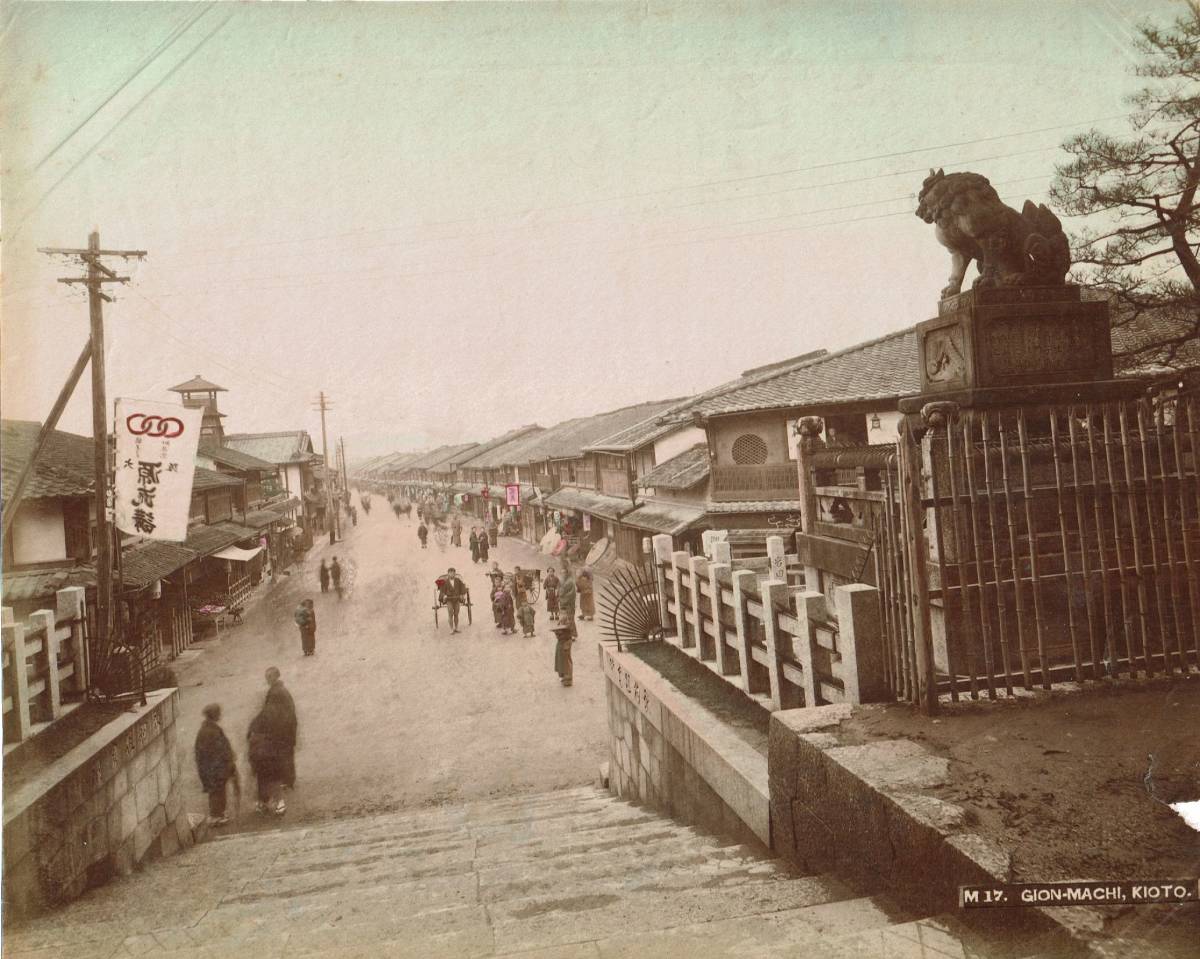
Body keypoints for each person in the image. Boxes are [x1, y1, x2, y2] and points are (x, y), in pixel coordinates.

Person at [247, 667, 298, 816]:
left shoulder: (276, 693)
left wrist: (254, 727)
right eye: (266, 676)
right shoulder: (280, 690)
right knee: (280, 764)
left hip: (279, 735)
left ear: (275, 677)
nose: (266, 679)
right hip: (284, 732)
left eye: (269, 676)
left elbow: (269, 714)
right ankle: (285, 784)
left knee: (269, 772)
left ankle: (272, 798)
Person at [194, 703, 236, 826]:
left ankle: (219, 814)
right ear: (214, 715)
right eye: (218, 713)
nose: (220, 715)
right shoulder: (210, 731)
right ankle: (215, 816)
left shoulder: (208, 729)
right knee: (217, 791)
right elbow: (217, 751)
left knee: (218, 791)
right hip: (214, 769)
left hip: (213, 768)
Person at [440, 567, 467, 634]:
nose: (452, 574)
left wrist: (461, 594)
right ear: (448, 574)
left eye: (453, 573)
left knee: (456, 614)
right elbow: (442, 591)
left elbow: (463, 587)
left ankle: (456, 628)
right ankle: (451, 629)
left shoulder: (458, 580)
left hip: (456, 599)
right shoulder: (445, 582)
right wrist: (444, 595)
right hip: (449, 599)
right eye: (450, 573)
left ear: (455, 574)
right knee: (450, 613)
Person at [558, 566, 578, 639]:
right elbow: (559, 591)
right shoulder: (561, 581)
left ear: (567, 573)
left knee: (570, 619)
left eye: (564, 572)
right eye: (562, 573)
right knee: (564, 619)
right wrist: (560, 596)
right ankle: (566, 634)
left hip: (569, 604)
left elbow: (572, 594)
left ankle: (573, 634)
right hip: (563, 604)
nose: (563, 574)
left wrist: (563, 598)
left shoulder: (570, 582)